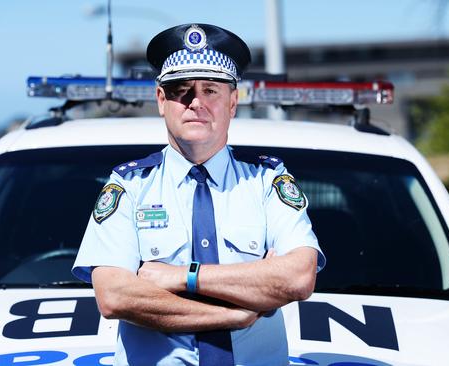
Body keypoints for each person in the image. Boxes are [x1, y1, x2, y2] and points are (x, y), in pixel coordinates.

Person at [72, 23, 324, 366]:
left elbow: (298, 276)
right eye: (181, 90)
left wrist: (183, 276)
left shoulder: (268, 181)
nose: (196, 103)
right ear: (161, 101)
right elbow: (114, 296)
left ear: (233, 102)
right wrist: (236, 313)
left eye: (210, 90)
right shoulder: (129, 185)